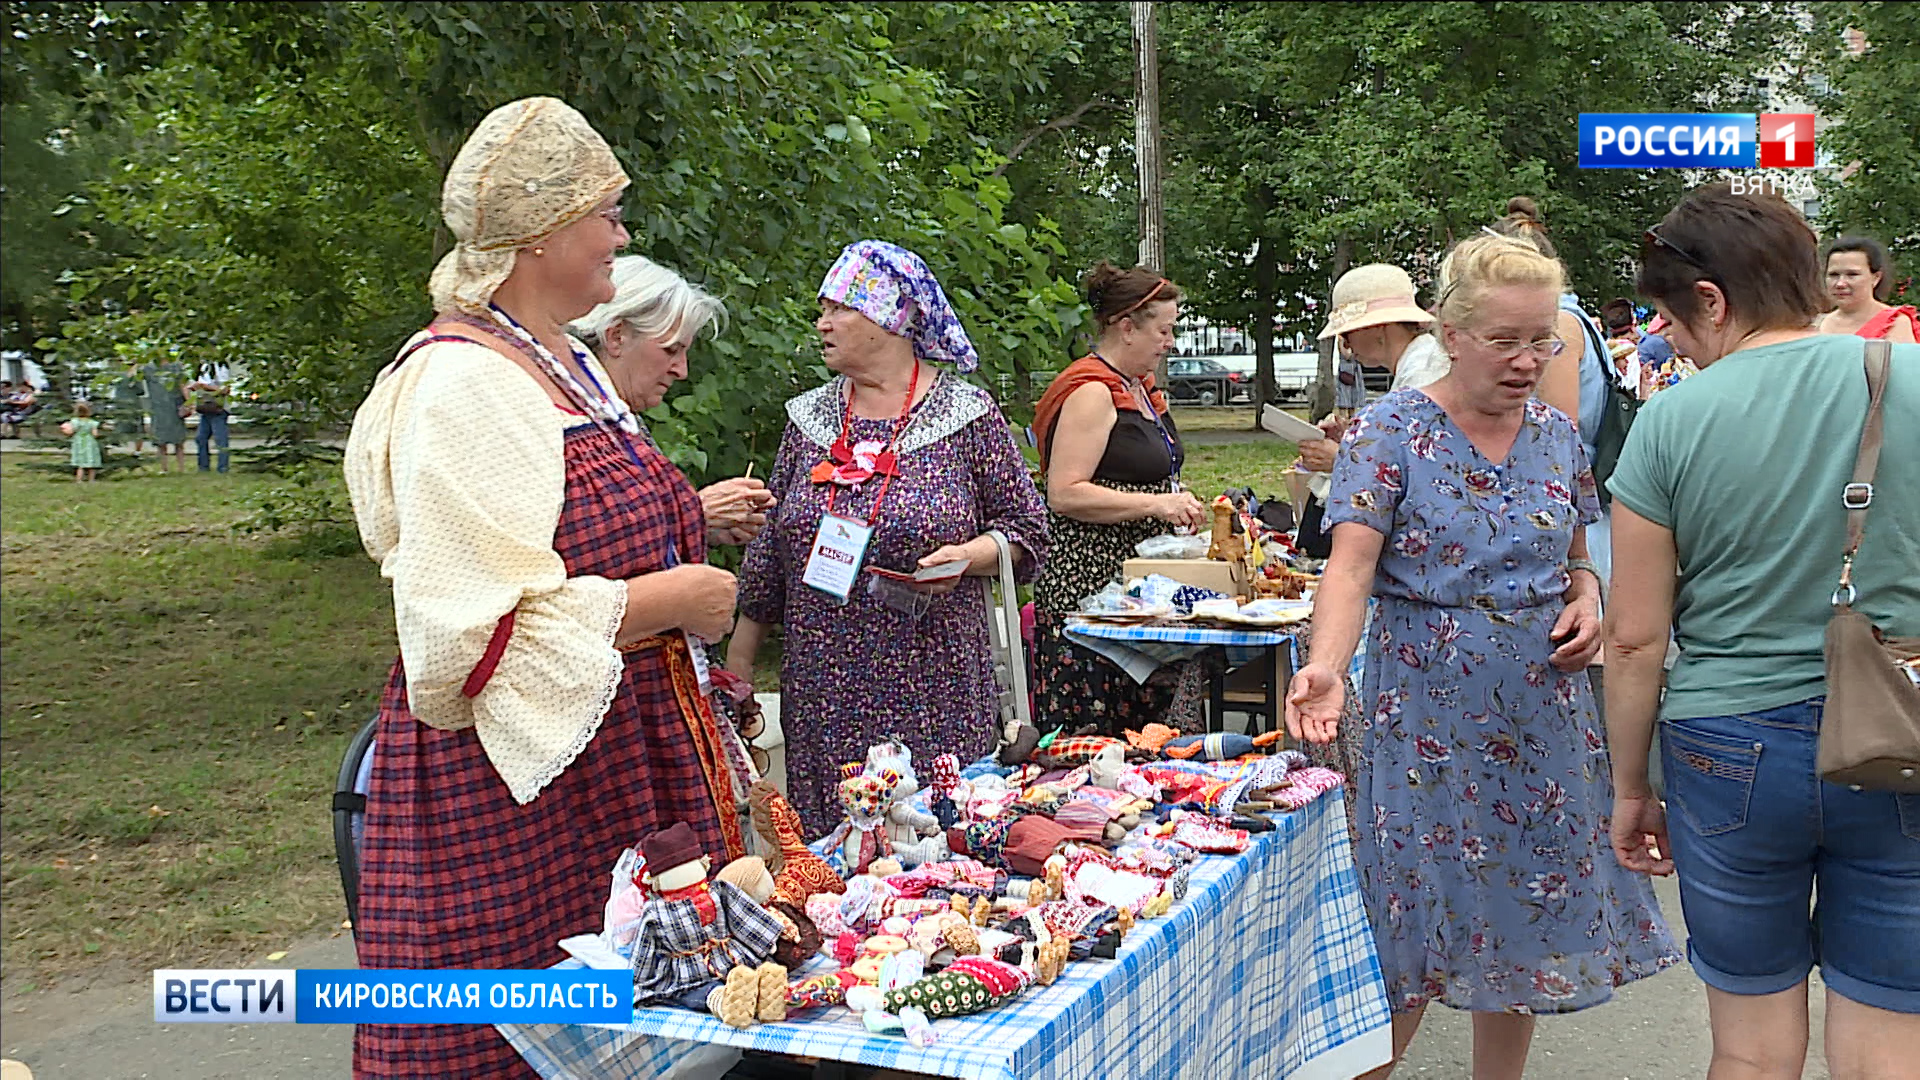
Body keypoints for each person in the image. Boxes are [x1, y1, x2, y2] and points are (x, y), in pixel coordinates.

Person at [342, 97, 748, 1078]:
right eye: (605, 212)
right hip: (511, 798)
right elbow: (457, 640)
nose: (621, 233)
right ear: (538, 234)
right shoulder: (464, 385)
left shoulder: (559, 364)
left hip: (602, 769)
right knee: (517, 1046)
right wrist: (670, 602)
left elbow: (587, 538)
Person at [1286, 232, 1678, 1080]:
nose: (1527, 359)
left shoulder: (1556, 436)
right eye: (1505, 339)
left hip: (1543, 716)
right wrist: (1323, 665)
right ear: (1451, 333)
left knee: (1523, 921)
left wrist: (1586, 593)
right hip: (1423, 709)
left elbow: (1575, 552)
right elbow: (1350, 569)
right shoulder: (1387, 432)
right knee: (1410, 923)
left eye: (1542, 340)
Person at [1607, 182, 1920, 1079]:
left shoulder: (1670, 423)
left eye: (1665, 316)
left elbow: (1634, 638)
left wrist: (1633, 786)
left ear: (1712, 299)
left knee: (1748, 1052)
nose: (1660, 335)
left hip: (1728, 744)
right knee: (1892, 1044)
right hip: (1899, 731)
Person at [728, 240, 1048, 835]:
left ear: (892, 318)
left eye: (839, 309)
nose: (822, 323)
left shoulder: (967, 416)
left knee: (937, 855)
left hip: (937, 687)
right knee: (834, 861)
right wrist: (738, 676)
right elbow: (768, 558)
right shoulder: (807, 421)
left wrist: (973, 555)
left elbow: (1028, 531)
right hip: (824, 693)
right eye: (821, 310)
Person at [1027, 262, 1205, 737]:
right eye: (1163, 331)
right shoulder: (1091, 392)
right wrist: (1157, 506)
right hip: (1087, 602)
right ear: (1126, 328)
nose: (1170, 342)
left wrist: (1175, 497)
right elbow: (1064, 493)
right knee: (1098, 747)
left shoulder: (1139, 390)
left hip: (1132, 600)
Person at [569, 255, 776, 547]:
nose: (682, 370)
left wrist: (699, 533)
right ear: (616, 337)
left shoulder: (621, 421)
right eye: (670, 350)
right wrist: (696, 513)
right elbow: (578, 545)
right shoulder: (567, 422)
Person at [1295, 263, 1448, 559]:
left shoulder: (1424, 376)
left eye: (1348, 332)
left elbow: (1425, 473)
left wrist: (1341, 458)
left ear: (1377, 327)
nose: (1347, 343)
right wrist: (1352, 443)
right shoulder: (1418, 366)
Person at [1818, 235, 1918, 343]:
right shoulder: (1816, 325)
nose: (1840, 283)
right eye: (1834, 275)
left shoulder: (1894, 323)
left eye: (1852, 274)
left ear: (1876, 278)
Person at [143, 360, 189, 473]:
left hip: (174, 406)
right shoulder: (149, 368)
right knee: (160, 441)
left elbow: (183, 385)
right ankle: (164, 468)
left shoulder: (176, 367)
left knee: (178, 440)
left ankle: (181, 468)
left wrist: (189, 402)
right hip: (158, 408)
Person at [183, 370, 231, 473]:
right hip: (205, 409)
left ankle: (223, 467)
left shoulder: (220, 368)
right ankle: (203, 466)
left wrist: (205, 387)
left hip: (218, 409)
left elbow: (225, 390)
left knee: (220, 439)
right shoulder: (202, 368)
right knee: (201, 438)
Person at [62, 401, 105, 482]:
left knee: (80, 463)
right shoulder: (92, 422)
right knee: (91, 462)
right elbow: (95, 434)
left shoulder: (74, 421)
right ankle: (91, 480)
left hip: (78, 442)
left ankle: (79, 480)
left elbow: (70, 432)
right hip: (90, 442)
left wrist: (64, 429)